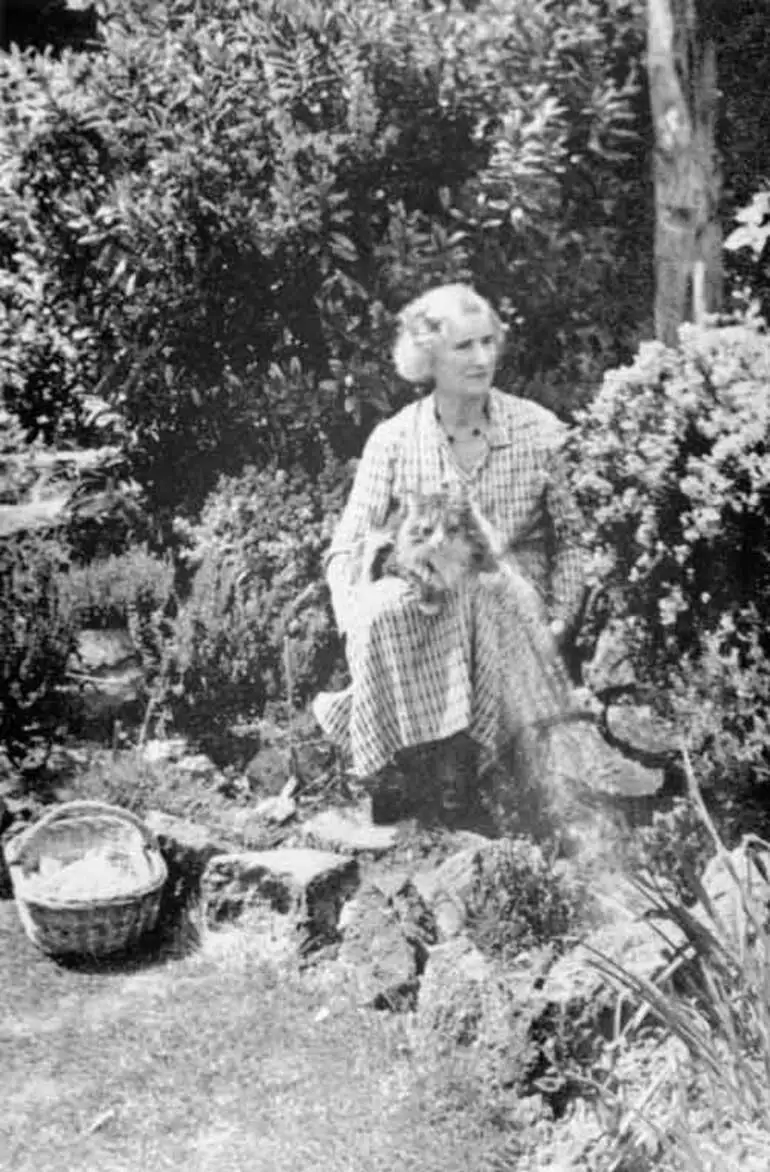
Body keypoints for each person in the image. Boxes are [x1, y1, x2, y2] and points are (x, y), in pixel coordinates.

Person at [313, 282, 587, 826]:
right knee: (394, 604)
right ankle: (411, 770)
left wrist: (560, 621)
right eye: (464, 347)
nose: (482, 358)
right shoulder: (393, 440)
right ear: (428, 358)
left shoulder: (539, 432)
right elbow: (347, 547)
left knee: (479, 588)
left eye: (488, 342)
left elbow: (576, 539)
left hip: (509, 593)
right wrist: (355, 621)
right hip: (424, 594)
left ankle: (462, 778)